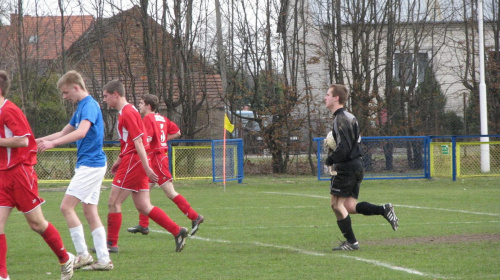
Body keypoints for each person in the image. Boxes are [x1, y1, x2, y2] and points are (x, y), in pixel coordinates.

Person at [0, 70, 75, 280]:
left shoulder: (10, 110)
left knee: (36, 224)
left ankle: (65, 258)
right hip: (3, 176)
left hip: (20, 173)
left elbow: (24, 140)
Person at [36, 70, 113, 271]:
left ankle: (83, 255)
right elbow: (64, 132)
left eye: (65, 92)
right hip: (91, 164)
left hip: (91, 165)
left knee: (66, 207)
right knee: (90, 211)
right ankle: (104, 260)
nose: (64, 97)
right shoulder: (81, 107)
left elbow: (81, 132)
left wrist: (53, 144)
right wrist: (38, 141)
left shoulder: (88, 105)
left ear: (76, 87)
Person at [102, 80, 188, 253]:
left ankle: (111, 244)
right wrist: (120, 158)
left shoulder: (128, 113)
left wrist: (146, 167)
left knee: (114, 202)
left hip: (134, 161)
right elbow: (129, 141)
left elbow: (139, 142)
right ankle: (178, 231)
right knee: (143, 206)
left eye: (106, 96)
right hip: (133, 160)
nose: (104, 100)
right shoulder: (127, 111)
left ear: (115, 94)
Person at [323, 84, 399, 251]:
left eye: (328, 94)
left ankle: (352, 242)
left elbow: (343, 147)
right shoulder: (350, 117)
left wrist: (329, 160)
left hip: (346, 166)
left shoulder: (340, 119)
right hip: (356, 165)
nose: (325, 98)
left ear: (336, 98)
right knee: (349, 206)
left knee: (336, 205)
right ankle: (384, 209)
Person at [126, 94, 204, 236]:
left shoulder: (148, 118)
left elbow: (146, 140)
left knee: (170, 192)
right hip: (156, 158)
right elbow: (177, 132)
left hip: (157, 159)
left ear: (149, 106)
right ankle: (143, 225)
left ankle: (195, 217)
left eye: (142, 103)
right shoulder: (162, 118)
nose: (139, 106)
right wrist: (162, 140)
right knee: (143, 192)